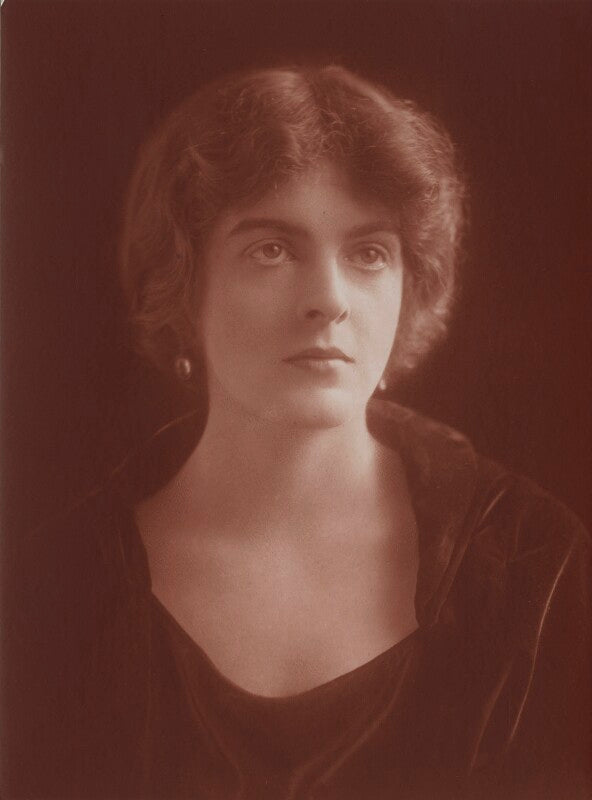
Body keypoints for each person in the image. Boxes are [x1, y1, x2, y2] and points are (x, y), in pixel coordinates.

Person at [10, 64, 590, 800]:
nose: (329, 299)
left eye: (369, 253)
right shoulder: (56, 588)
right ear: (185, 286)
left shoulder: (538, 573)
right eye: (272, 249)